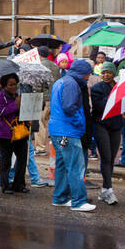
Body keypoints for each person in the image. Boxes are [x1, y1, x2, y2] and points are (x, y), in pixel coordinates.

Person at [49, 59, 95, 212]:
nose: (89, 77)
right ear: (82, 73)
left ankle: (60, 197)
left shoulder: (61, 81)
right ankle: (78, 201)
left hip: (58, 132)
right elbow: (69, 108)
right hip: (68, 132)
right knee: (75, 165)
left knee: (62, 163)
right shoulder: (72, 84)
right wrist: (79, 122)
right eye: (88, 74)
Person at [89, 62, 122, 205]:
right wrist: (115, 96)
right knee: (106, 157)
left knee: (111, 158)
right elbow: (100, 106)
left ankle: (105, 189)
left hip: (116, 126)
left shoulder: (120, 87)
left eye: (109, 72)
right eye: (103, 73)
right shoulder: (97, 88)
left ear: (113, 73)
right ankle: (108, 189)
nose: (106, 75)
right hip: (101, 125)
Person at [0, 73, 28, 194]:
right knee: (6, 160)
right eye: (10, 85)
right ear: (4, 86)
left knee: (22, 159)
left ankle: (18, 184)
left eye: (15, 84)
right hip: (4, 133)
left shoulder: (18, 95)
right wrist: (15, 105)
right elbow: (0, 112)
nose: (14, 87)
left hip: (20, 132)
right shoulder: (0, 96)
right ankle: (5, 185)